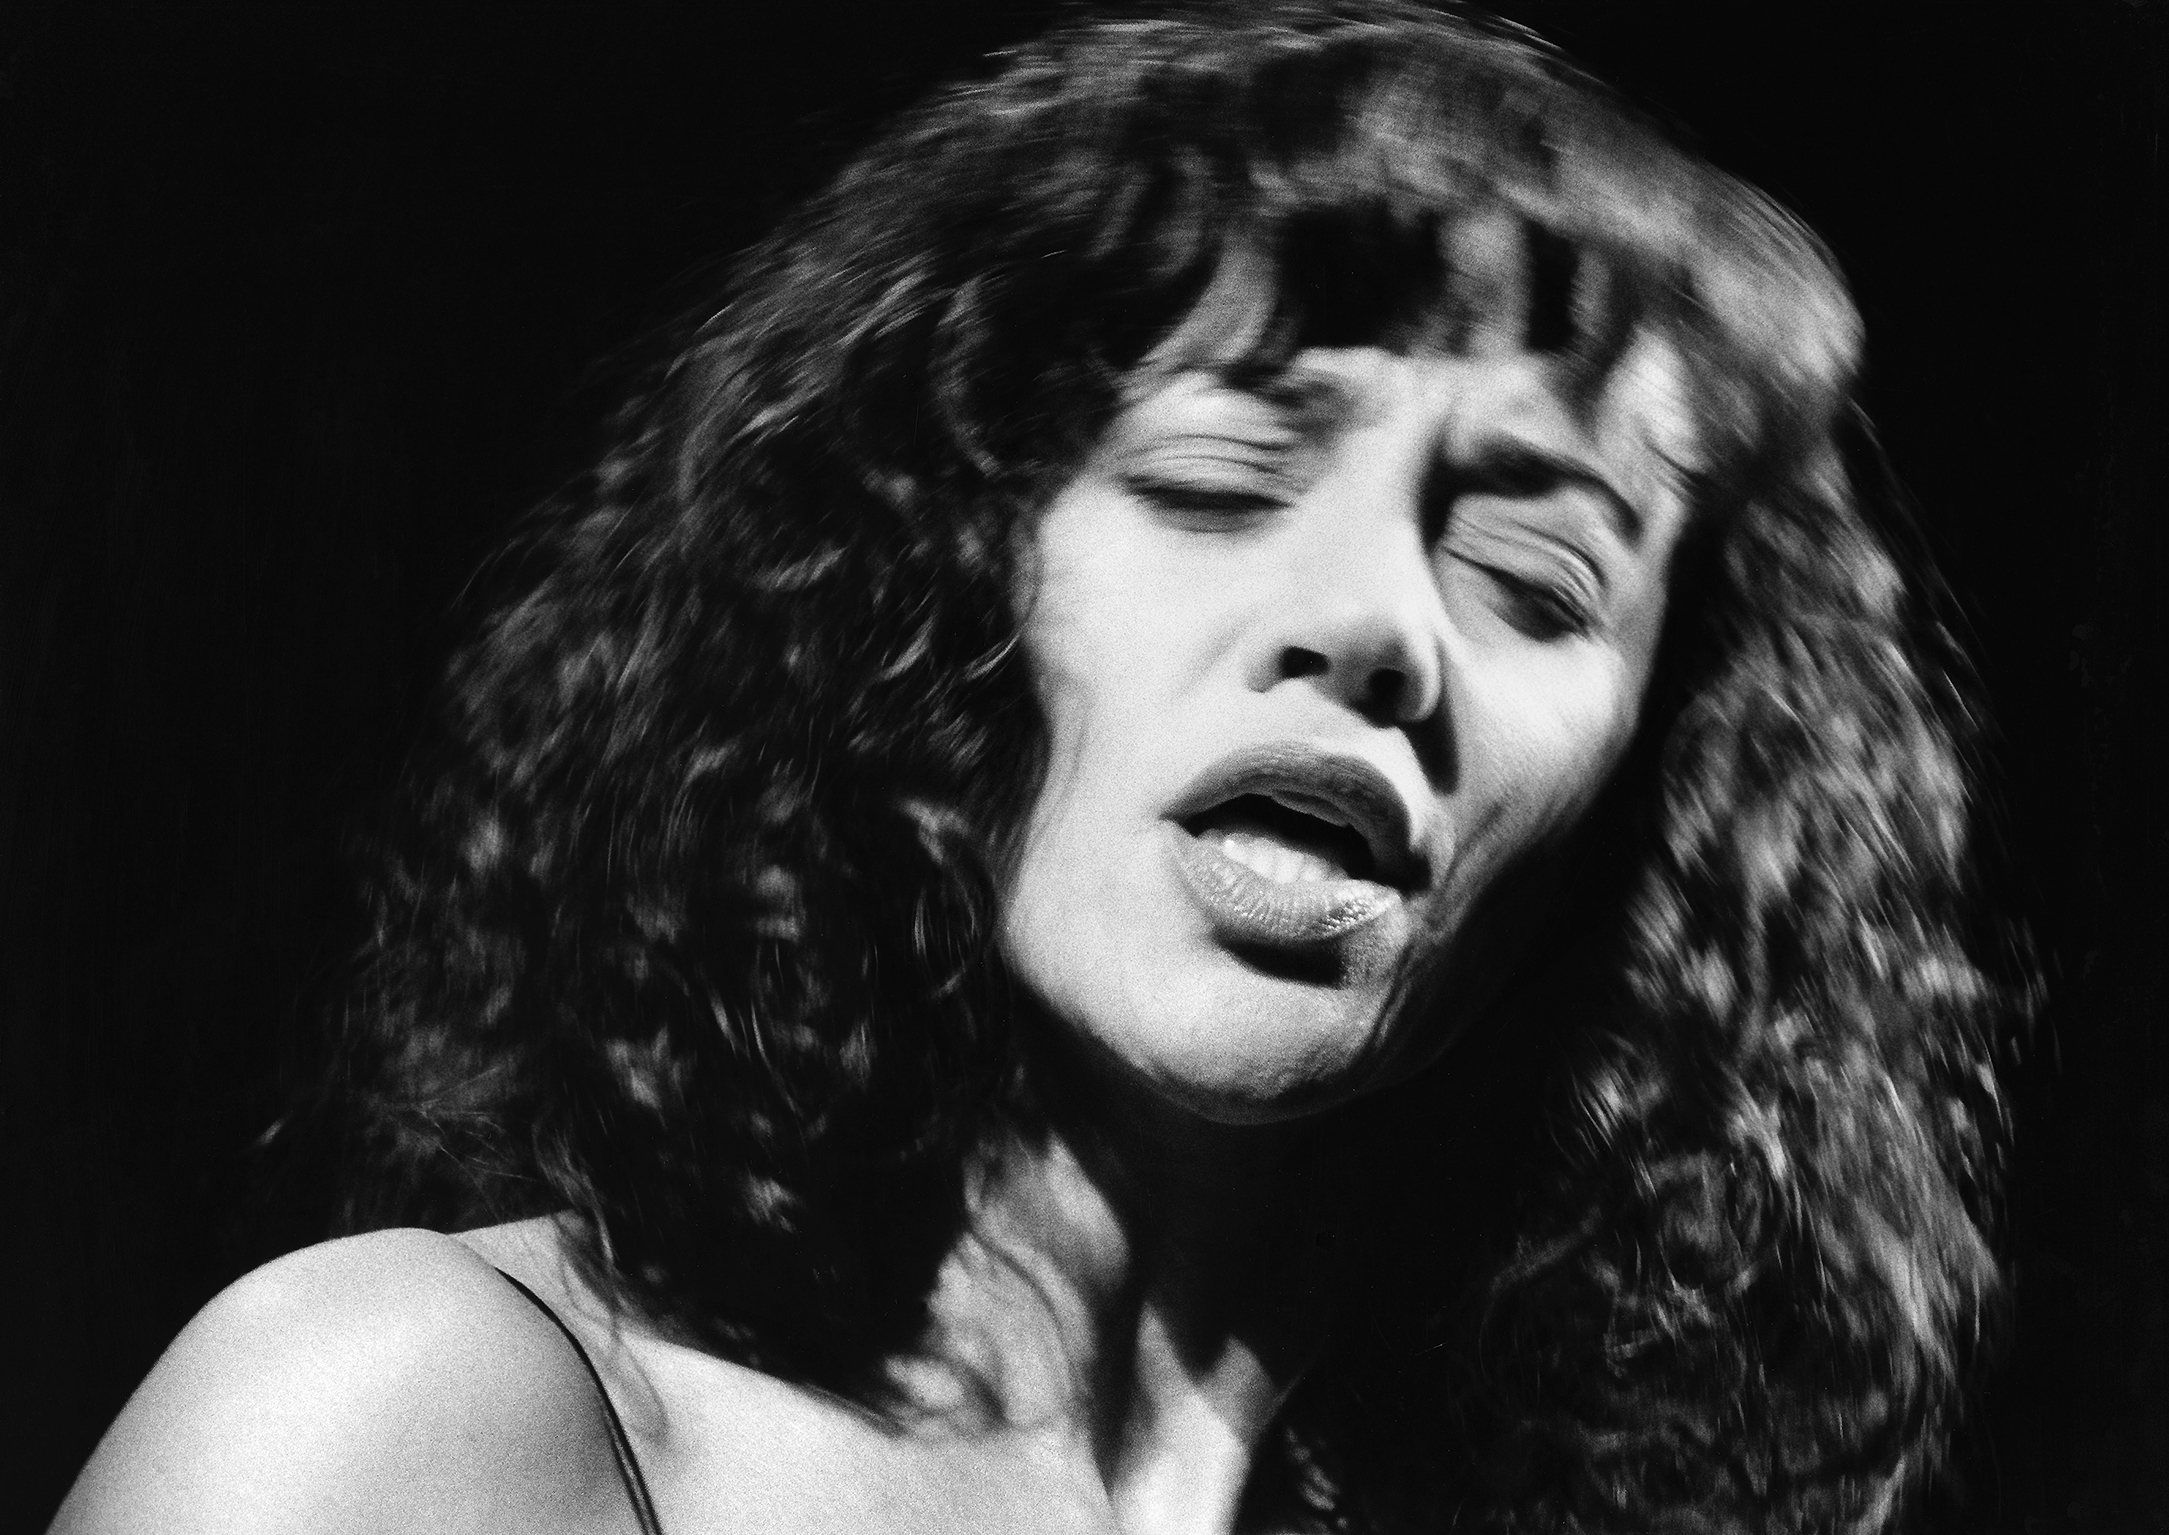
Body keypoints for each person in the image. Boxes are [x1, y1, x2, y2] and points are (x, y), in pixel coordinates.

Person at [50, 2, 2017, 1531]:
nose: (1376, 626)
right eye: (1220, 476)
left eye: (1531, 571)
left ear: (1650, 799)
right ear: (930, 590)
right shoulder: (412, 1420)